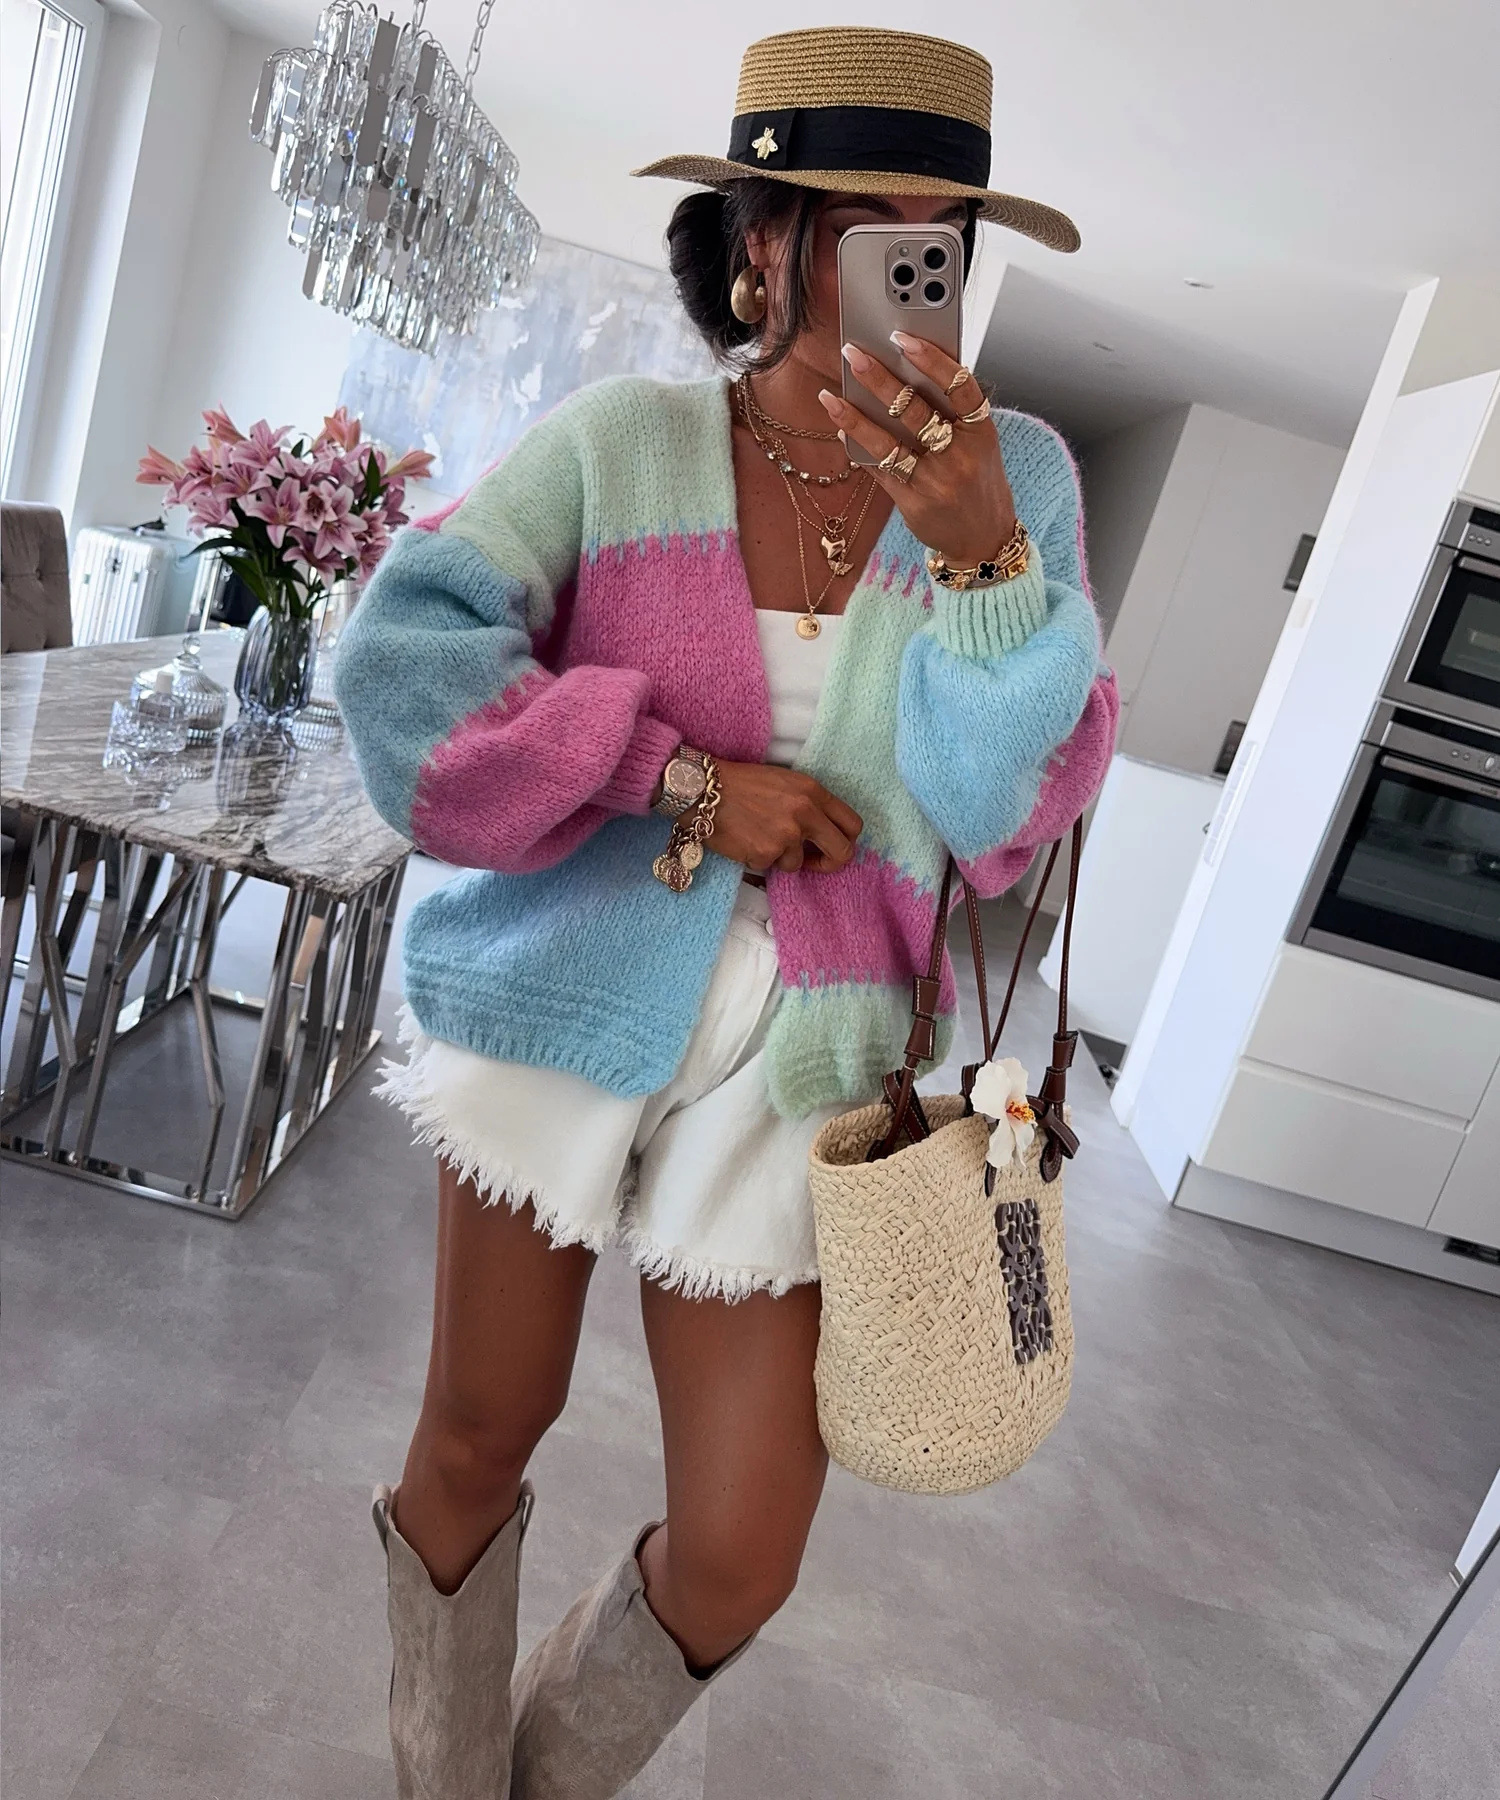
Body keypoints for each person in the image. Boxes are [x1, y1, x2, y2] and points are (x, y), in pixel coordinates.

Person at [335, 25, 1119, 1800]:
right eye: (870, 232)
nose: (917, 270)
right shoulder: (623, 442)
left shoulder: (1019, 483)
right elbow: (402, 666)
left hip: (819, 1051)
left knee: (745, 1547)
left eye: (943, 238)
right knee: (478, 1429)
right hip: (569, 984)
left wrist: (986, 563)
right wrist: (676, 778)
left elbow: (1002, 819)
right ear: (765, 244)